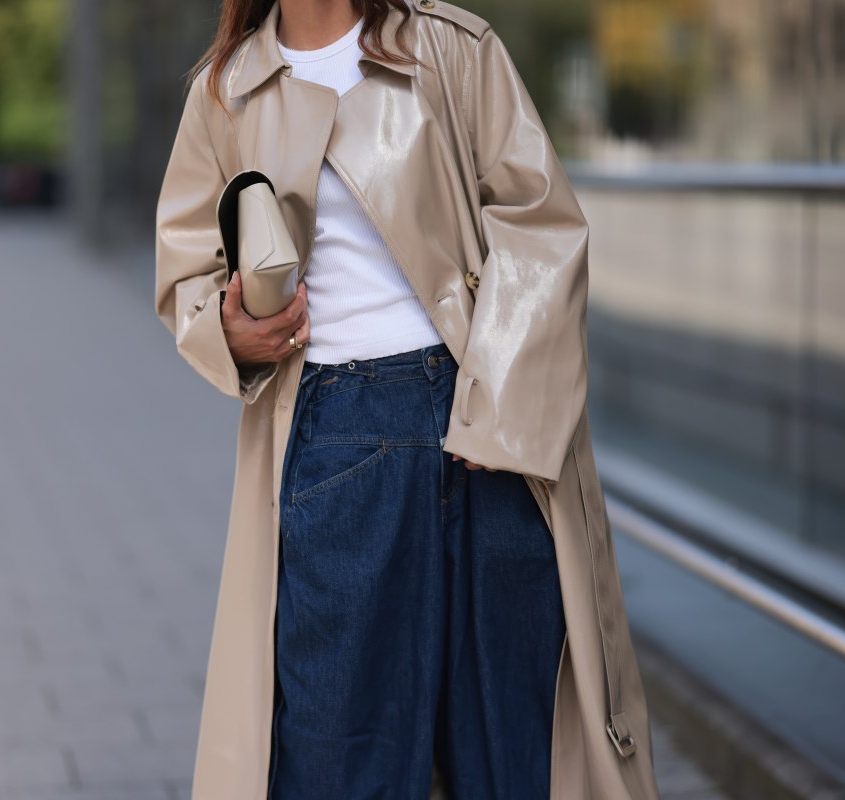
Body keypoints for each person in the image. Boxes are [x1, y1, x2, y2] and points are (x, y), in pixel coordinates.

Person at [154, 0, 662, 798]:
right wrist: (229, 330)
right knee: (339, 759)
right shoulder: (227, 91)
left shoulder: (451, 47)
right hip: (336, 441)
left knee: (510, 753)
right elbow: (189, 273)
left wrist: (492, 413)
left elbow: (545, 228)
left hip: (484, 428)